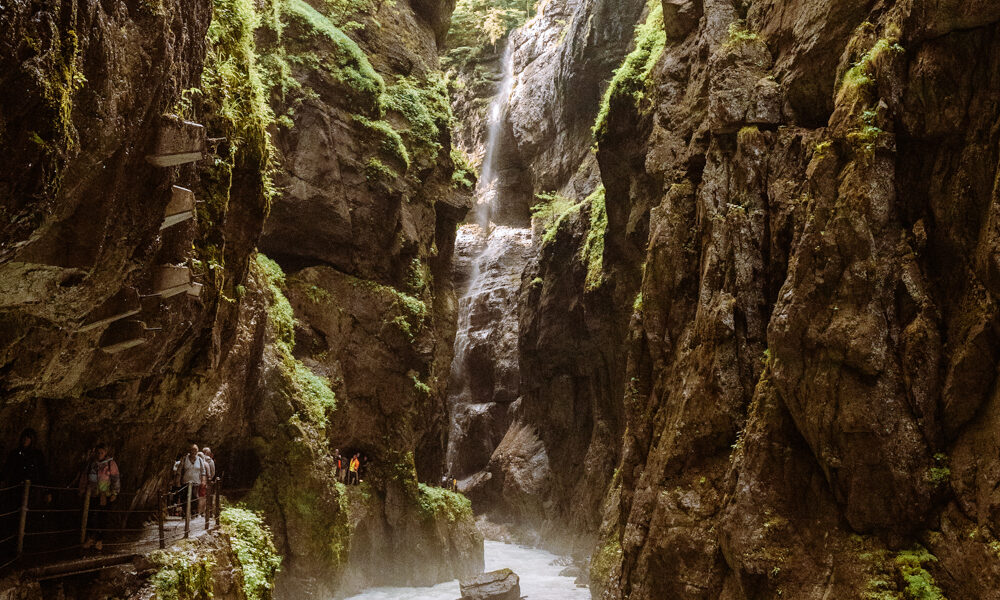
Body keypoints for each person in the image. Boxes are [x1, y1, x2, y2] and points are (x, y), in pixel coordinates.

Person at [78, 443, 120, 551]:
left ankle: (100, 540)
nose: (99, 454)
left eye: (101, 452)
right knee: (91, 517)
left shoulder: (111, 464)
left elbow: (115, 479)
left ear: (105, 453)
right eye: (98, 452)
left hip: (104, 495)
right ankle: (91, 538)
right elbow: (84, 477)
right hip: (92, 495)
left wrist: (115, 493)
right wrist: (82, 490)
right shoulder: (91, 464)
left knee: (103, 518)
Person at [176, 444, 207, 516]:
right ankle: (185, 512)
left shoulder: (200, 459)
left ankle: (194, 512)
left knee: (195, 496)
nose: (194, 452)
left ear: (197, 451)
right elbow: (179, 470)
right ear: (189, 451)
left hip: (196, 482)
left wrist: (203, 481)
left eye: (195, 450)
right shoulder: (184, 459)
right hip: (185, 482)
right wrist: (177, 481)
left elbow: (203, 471)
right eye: (192, 450)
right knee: (184, 497)